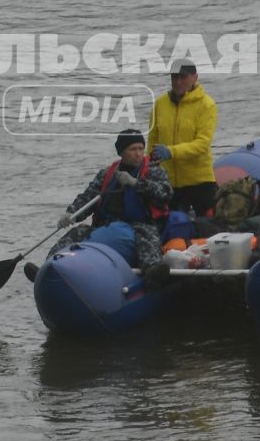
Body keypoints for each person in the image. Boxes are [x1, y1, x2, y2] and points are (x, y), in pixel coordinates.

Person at [32, 129, 173, 278]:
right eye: (132, 149)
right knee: (76, 233)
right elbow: (88, 197)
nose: (138, 153)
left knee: (147, 237)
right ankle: (48, 268)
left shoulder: (153, 170)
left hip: (140, 224)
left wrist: (136, 183)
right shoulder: (107, 173)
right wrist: (71, 213)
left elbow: (166, 195)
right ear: (121, 152)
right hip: (106, 225)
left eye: (140, 149)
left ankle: (152, 271)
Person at [146, 59, 218, 214]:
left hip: (200, 182)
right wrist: (149, 168)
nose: (178, 82)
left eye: (183, 77)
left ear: (195, 77)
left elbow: (202, 144)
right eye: (174, 77)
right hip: (168, 182)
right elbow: (152, 140)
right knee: (170, 229)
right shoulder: (159, 104)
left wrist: (171, 152)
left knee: (207, 228)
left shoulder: (207, 105)